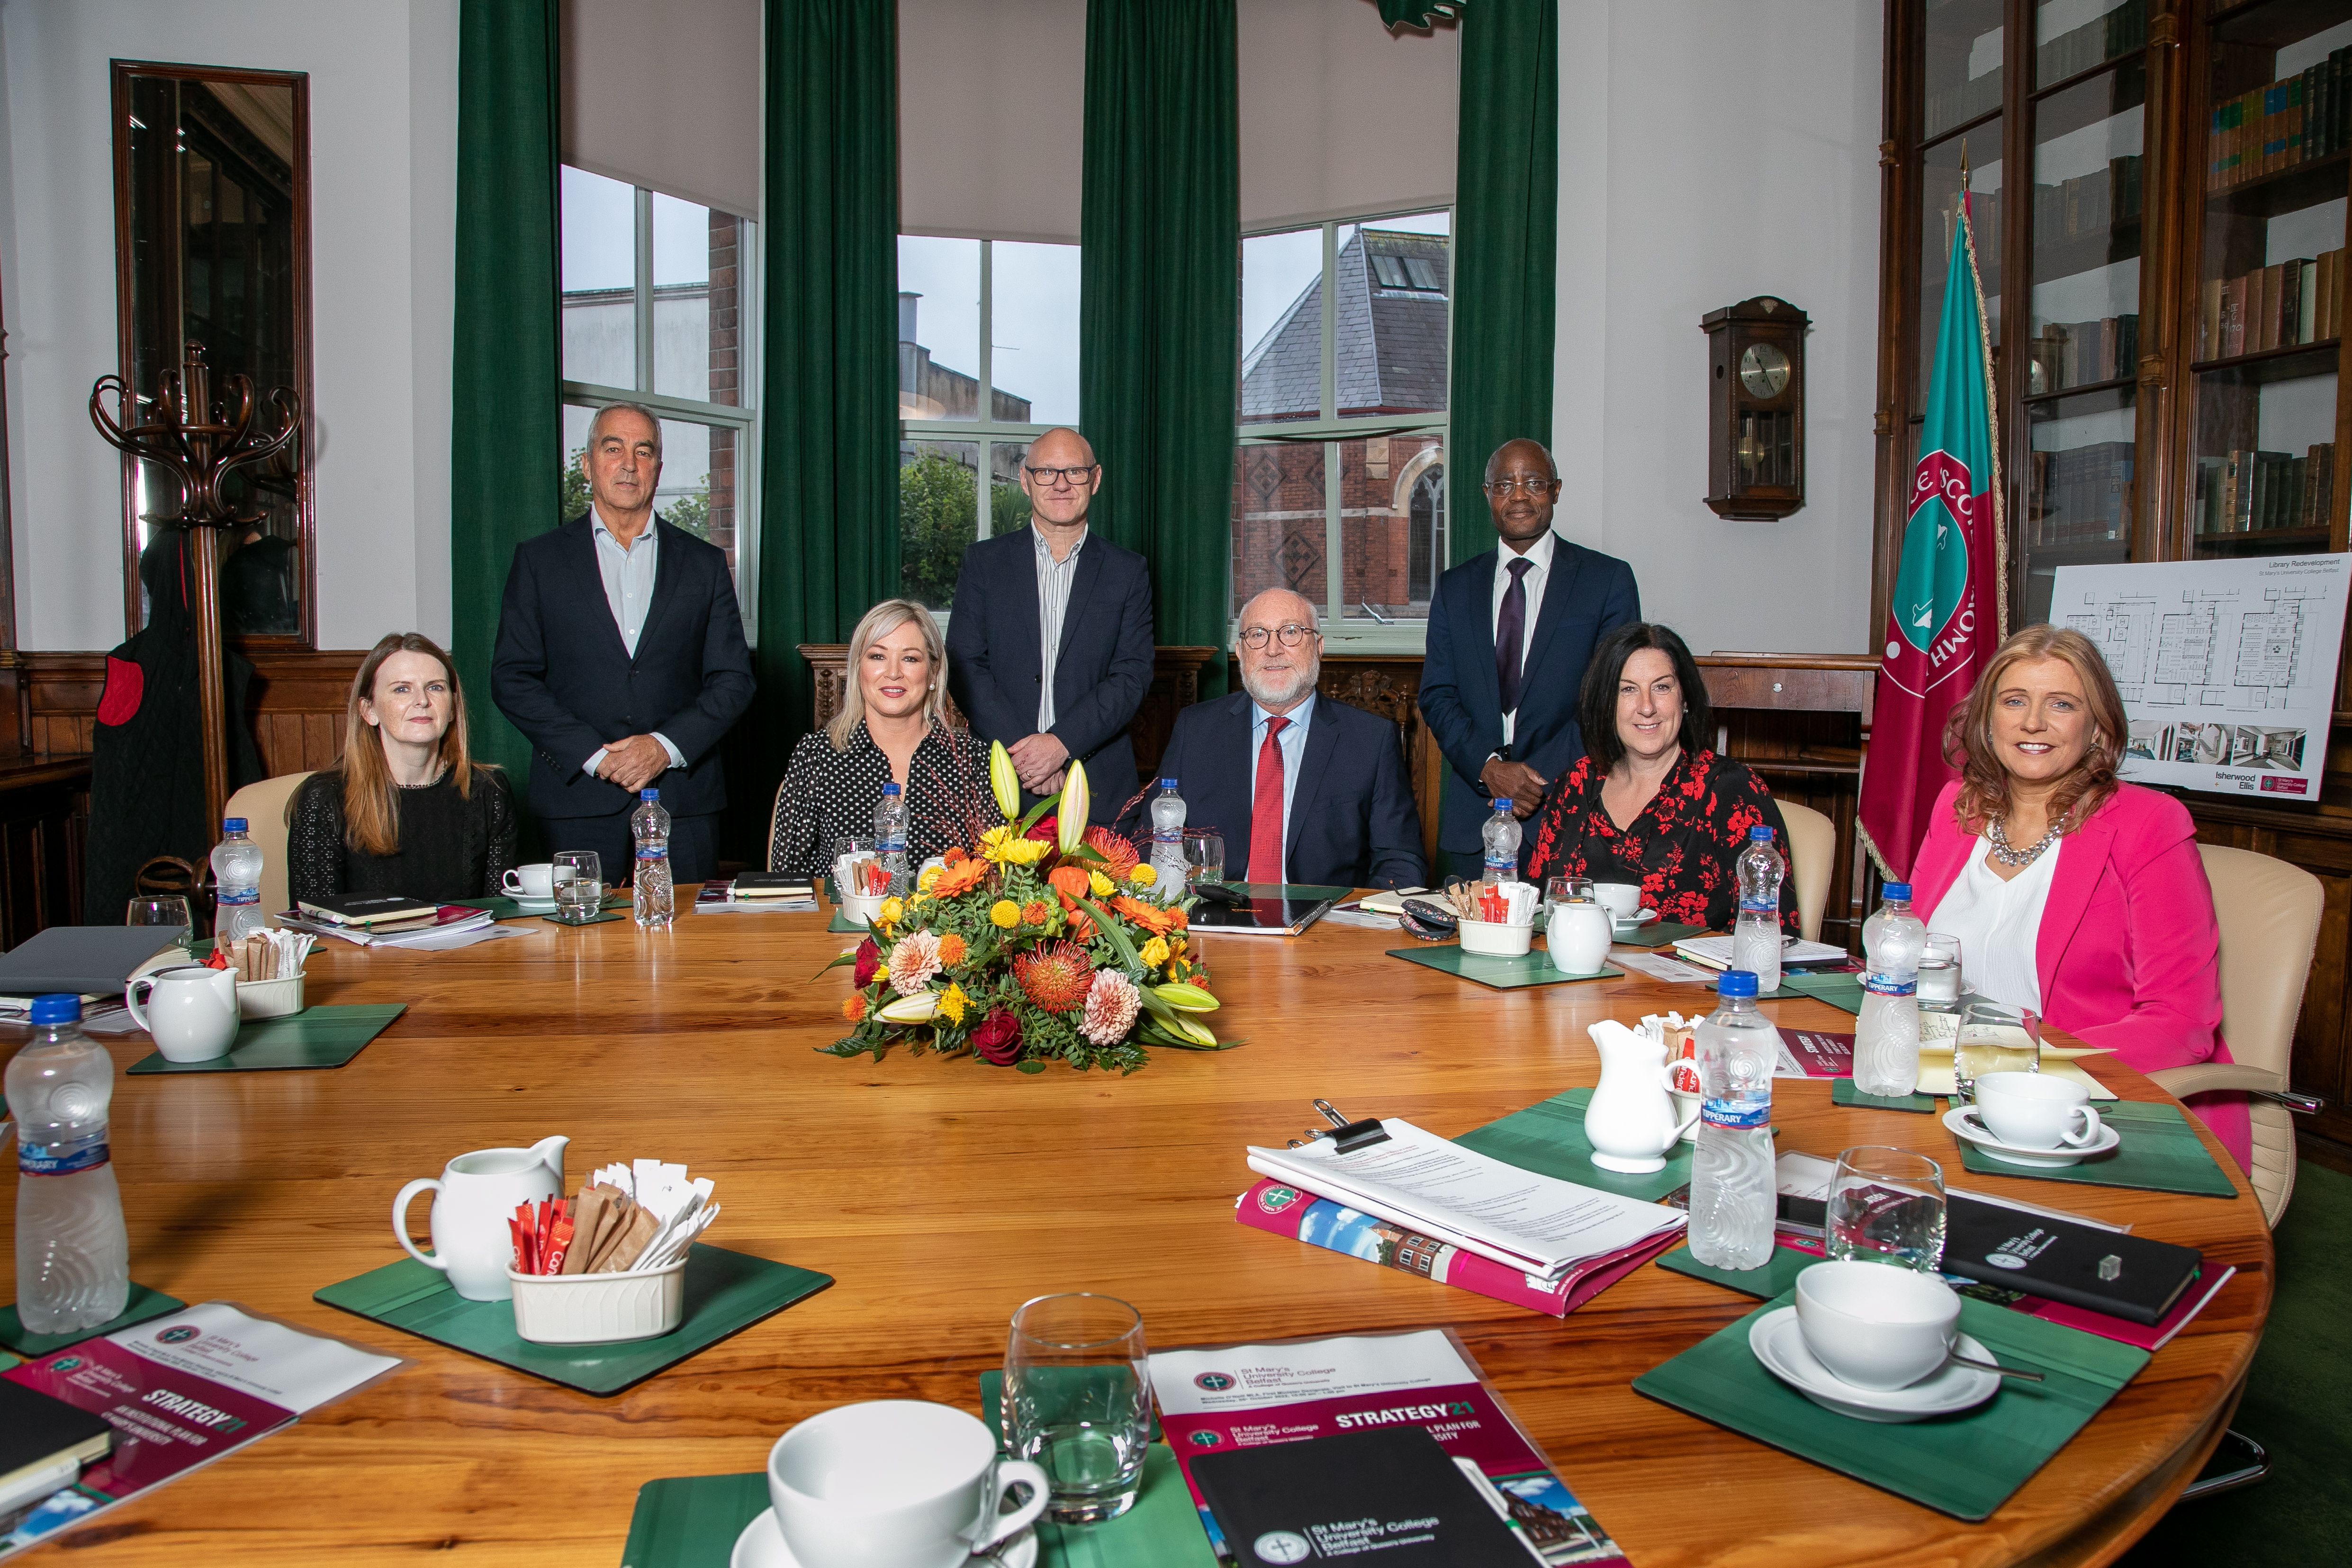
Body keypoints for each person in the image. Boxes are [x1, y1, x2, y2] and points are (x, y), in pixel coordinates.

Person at [1908, 624, 2252, 1174]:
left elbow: (2180, 1023)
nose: (2033, 723)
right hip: (1953, 1088)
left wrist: (2018, 1063)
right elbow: (1911, 956)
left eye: (2061, 704)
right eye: (2014, 700)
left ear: (2097, 727)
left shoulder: (2150, 824)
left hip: (2089, 1108)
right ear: (1987, 720)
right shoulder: (1958, 807)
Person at [491, 402, 754, 883]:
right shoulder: (539, 562)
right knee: (582, 953)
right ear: (588, 463)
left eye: (643, 450)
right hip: (577, 801)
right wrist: (597, 757)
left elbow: (734, 680)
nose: (628, 463)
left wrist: (662, 747)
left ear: (658, 468)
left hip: (684, 799)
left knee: (692, 950)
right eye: (613, 448)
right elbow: (512, 678)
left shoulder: (704, 564)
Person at [1419, 439, 1640, 879]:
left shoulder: (1606, 580)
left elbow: (1611, 698)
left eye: (1533, 483)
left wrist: (1530, 781)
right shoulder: (1454, 587)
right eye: (1504, 484)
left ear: (1556, 490)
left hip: (1572, 816)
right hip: (1473, 820)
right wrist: (1489, 769)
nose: (1518, 496)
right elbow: (1438, 694)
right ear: (1487, 494)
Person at [1526, 622, 1797, 933]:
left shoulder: (1730, 789)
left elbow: (1774, 932)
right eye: (1627, 689)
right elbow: (1536, 916)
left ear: (1685, 699)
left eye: (1662, 687)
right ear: (1607, 703)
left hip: (1691, 981)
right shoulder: (1573, 784)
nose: (1646, 707)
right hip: (1574, 977)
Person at [1149, 588, 1424, 890]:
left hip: (1326, 924)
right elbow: (1151, 840)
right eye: (1257, 635)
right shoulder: (1196, 730)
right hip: (1213, 919)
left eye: (1291, 632)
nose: (1273, 649)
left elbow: (1399, 860)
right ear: (1241, 651)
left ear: (1318, 646)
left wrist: (1358, 925)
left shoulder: (1370, 740)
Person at [945, 427, 1154, 823]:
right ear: (1025, 481)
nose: (1060, 484)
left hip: (1096, 786)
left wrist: (1061, 745)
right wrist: (1028, 757)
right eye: (1046, 473)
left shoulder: (1128, 571)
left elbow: (1132, 675)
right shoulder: (984, 564)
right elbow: (965, 665)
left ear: (1095, 480)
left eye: (1074, 472)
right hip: (998, 779)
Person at [769, 599, 992, 877]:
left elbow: (996, 878)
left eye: (910, 658)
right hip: (840, 921)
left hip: (948, 921)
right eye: (878, 656)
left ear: (933, 672)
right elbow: (786, 880)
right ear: (858, 668)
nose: (894, 672)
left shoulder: (973, 760)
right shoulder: (816, 756)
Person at [288, 632, 518, 902]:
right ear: (369, 710)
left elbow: (500, 916)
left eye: (435, 687)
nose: (422, 701)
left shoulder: (489, 790)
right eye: (402, 689)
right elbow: (317, 919)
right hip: (362, 946)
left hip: (466, 946)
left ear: (453, 708)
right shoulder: (324, 797)